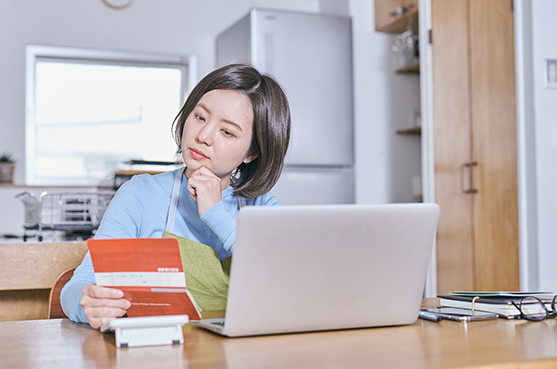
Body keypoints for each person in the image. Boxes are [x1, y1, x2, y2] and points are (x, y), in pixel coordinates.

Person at [60, 63, 291, 329]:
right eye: (200, 117)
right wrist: (85, 302)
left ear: (252, 153)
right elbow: (79, 284)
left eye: (227, 132)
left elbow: (282, 283)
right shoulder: (141, 195)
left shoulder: (263, 206)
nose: (203, 136)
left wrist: (216, 213)